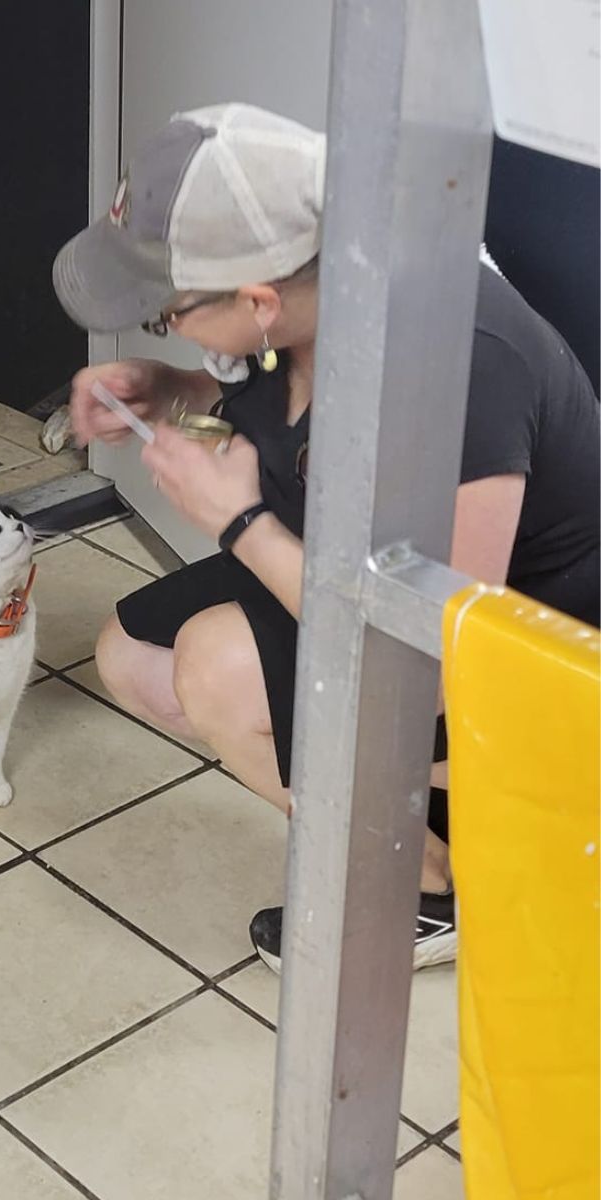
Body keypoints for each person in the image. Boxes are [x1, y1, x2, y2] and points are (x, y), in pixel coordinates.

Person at [52, 103, 601, 972]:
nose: (163, 325)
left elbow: (433, 655)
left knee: (215, 668)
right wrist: (174, 395)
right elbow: (288, 430)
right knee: (132, 657)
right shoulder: (315, 289)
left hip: (535, 657)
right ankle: (431, 814)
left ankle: (432, 887)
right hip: (368, 571)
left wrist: (238, 522)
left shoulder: (461, 368)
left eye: (166, 315)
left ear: (260, 299)